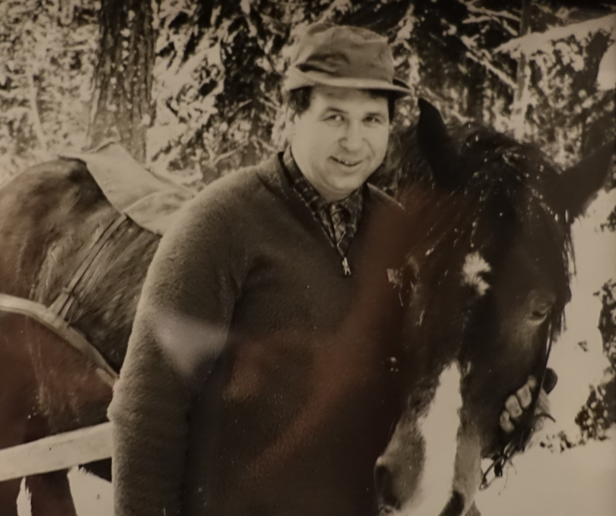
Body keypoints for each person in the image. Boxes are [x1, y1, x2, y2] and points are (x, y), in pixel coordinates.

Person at [108, 22, 549, 516]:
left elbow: (430, 375)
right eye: (334, 116)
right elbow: (147, 412)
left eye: (371, 120)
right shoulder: (220, 225)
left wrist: (510, 408)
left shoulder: (402, 236)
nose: (354, 141)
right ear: (295, 113)